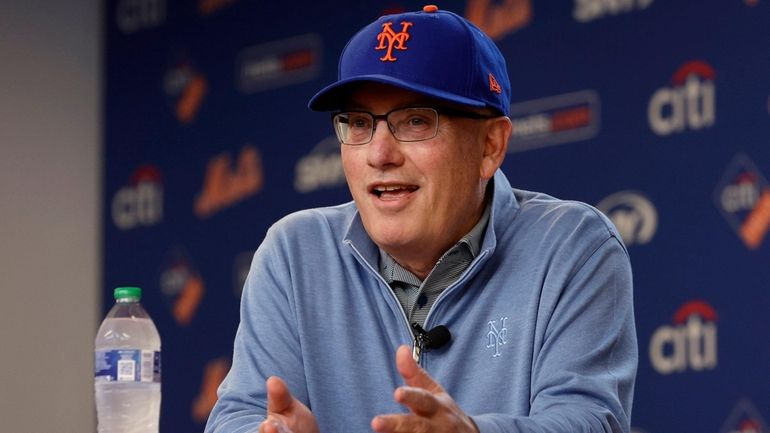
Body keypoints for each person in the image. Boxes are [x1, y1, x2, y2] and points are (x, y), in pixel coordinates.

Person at [205, 5, 637, 433]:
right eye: (358, 123)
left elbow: (587, 421)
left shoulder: (572, 247)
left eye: (415, 121)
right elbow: (240, 416)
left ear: (490, 145)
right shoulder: (294, 254)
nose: (379, 154)